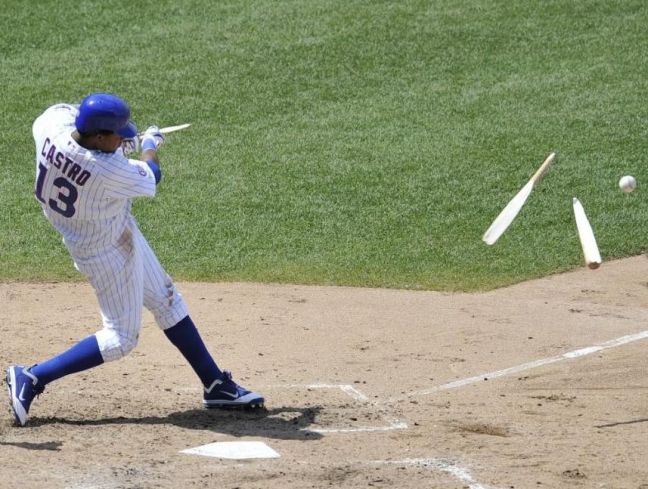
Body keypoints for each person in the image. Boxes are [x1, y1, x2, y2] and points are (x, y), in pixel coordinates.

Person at [5, 93, 264, 427]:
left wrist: (121, 138)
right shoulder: (106, 170)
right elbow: (152, 173)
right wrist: (149, 144)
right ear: (99, 138)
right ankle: (32, 376)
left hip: (113, 229)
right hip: (104, 251)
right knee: (121, 338)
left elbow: (74, 116)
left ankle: (216, 385)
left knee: (167, 300)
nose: (122, 138)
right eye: (116, 135)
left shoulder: (50, 126)